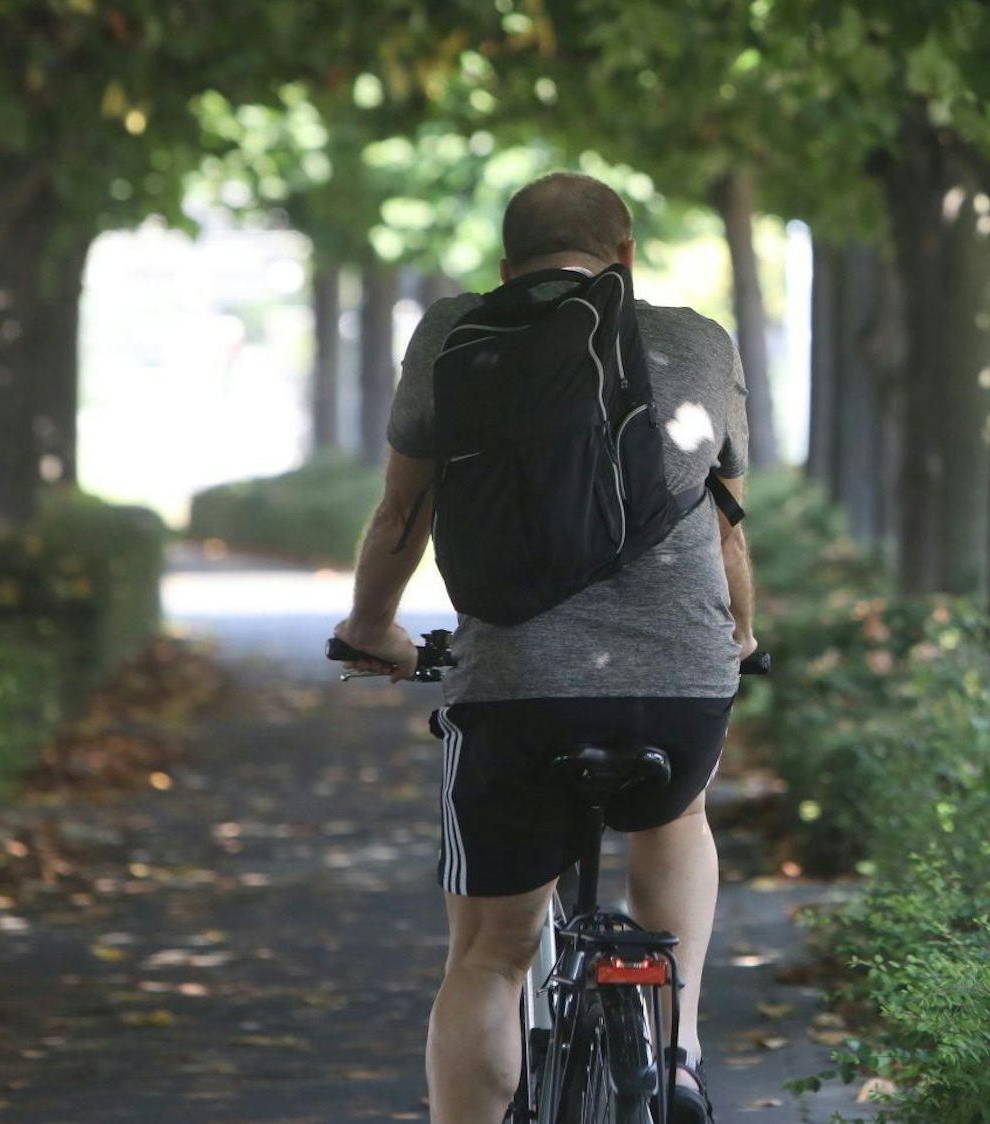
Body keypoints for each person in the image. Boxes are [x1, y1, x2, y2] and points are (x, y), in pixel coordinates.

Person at [333, 171, 754, 1124]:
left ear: (504, 266)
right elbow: (728, 526)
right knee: (676, 813)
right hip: (678, 685)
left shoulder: (454, 333)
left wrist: (371, 632)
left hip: (514, 688)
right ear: (628, 254)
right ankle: (676, 1047)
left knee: (491, 951)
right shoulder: (694, 339)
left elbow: (403, 510)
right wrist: (740, 640)